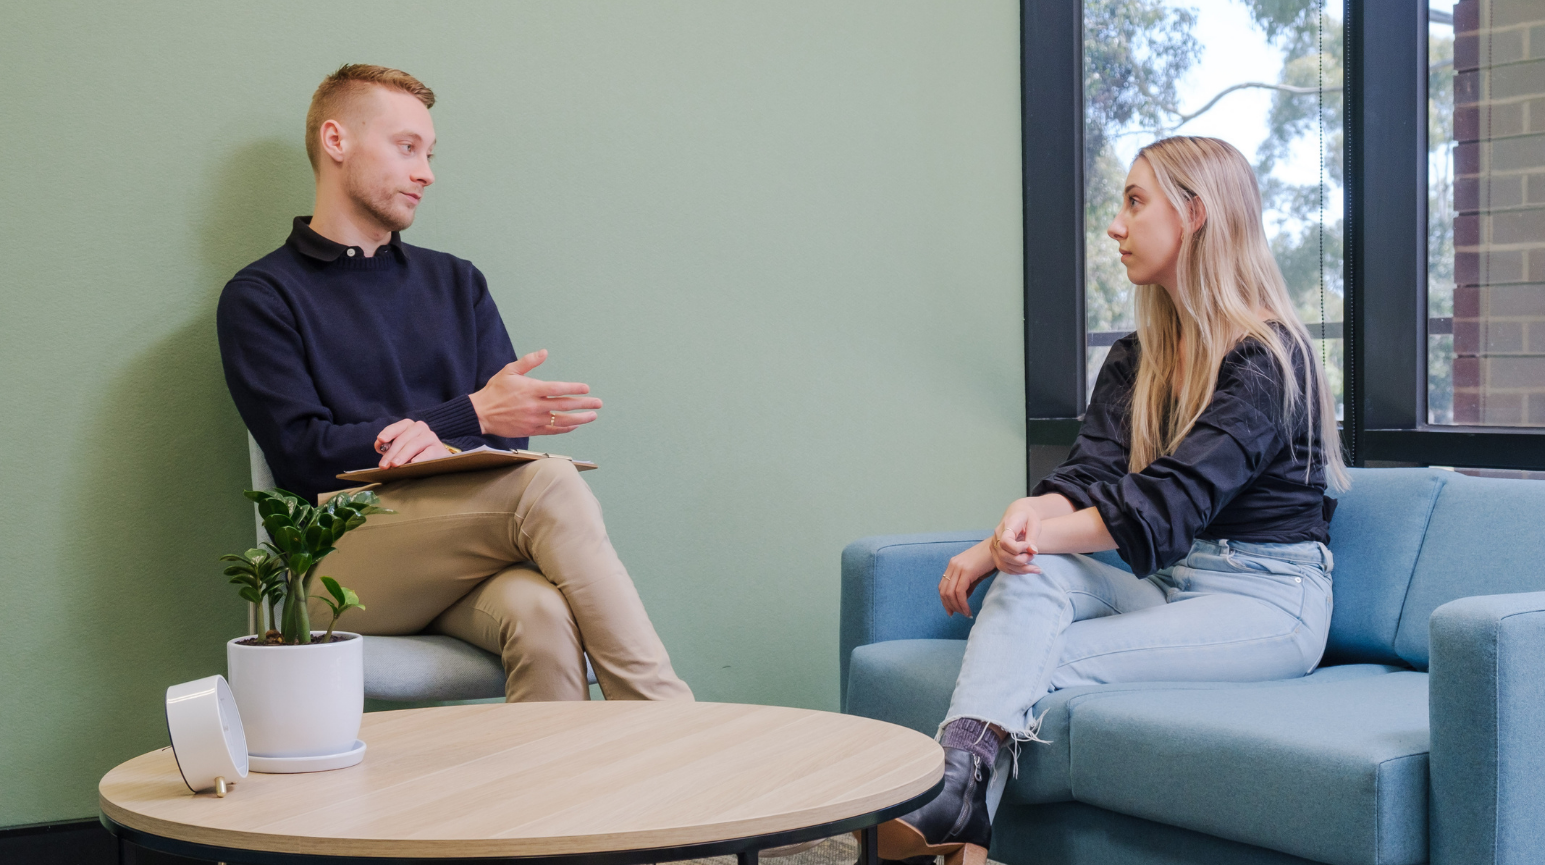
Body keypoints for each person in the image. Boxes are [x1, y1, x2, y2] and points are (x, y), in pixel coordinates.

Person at [876, 136, 1348, 865]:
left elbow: (1170, 502)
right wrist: (1007, 533)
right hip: (1170, 582)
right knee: (1029, 579)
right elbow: (1086, 476)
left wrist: (1021, 540)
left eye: (1134, 202)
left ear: (1194, 214)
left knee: (1034, 652)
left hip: (1268, 600)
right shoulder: (1138, 356)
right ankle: (958, 806)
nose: (1114, 225)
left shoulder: (1269, 357)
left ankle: (951, 809)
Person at [216, 63, 692, 703]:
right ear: (336, 141)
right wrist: (461, 417)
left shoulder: (456, 282)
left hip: (459, 545)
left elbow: (508, 439)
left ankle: (566, 773)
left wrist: (447, 444)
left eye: (429, 154)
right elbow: (303, 455)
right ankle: (666, 719)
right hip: (341, 561)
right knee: (551, 482)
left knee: (543, 616)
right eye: (406, 147)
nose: (426, 173)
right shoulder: (262, 296)